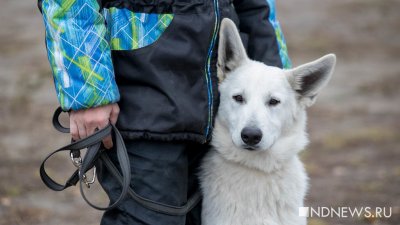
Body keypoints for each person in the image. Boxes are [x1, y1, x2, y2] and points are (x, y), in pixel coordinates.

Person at [37, 0, 291, 224]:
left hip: (220, 118)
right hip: (142, 102)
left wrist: (278, 93)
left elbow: (258, 8)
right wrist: (90, 90)